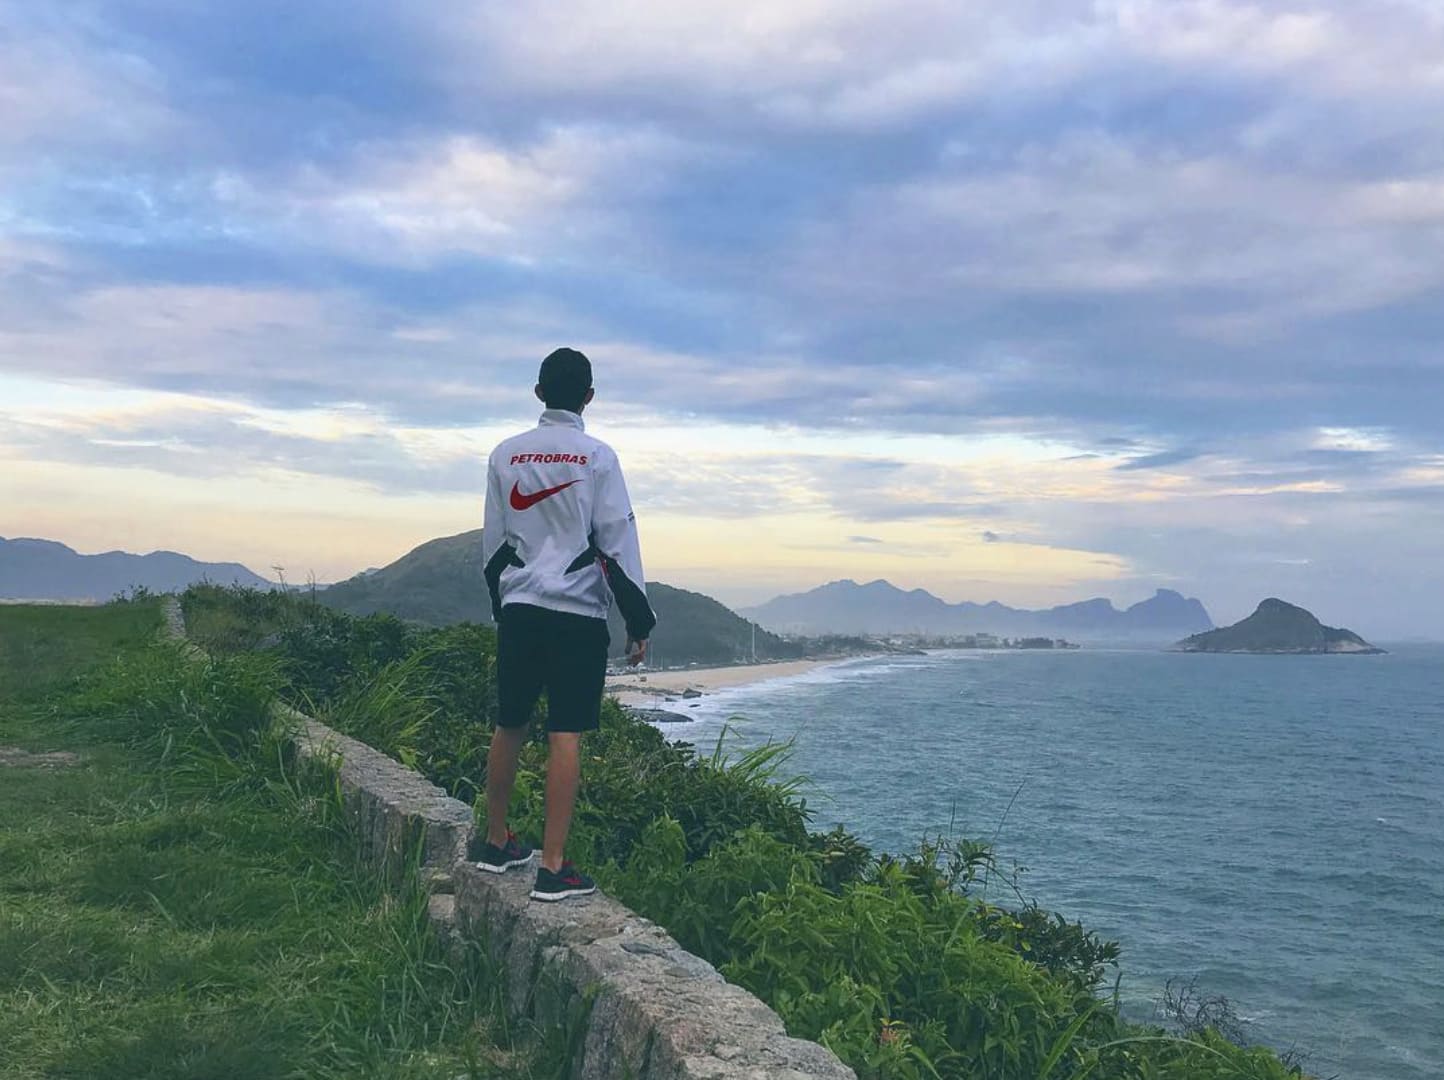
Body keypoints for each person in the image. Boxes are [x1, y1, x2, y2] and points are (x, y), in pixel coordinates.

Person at [472, 347, 656, 902]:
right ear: (590, 397)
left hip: (522, 607)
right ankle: (552, 866)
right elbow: (617, 541)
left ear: (537, 393)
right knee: (564, 733)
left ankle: (495, 839)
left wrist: (502, 603)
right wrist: (639, 620)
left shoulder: (506, 455)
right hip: (576, 613)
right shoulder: (598, 457)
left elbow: (492, 541)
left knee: (510, 722)